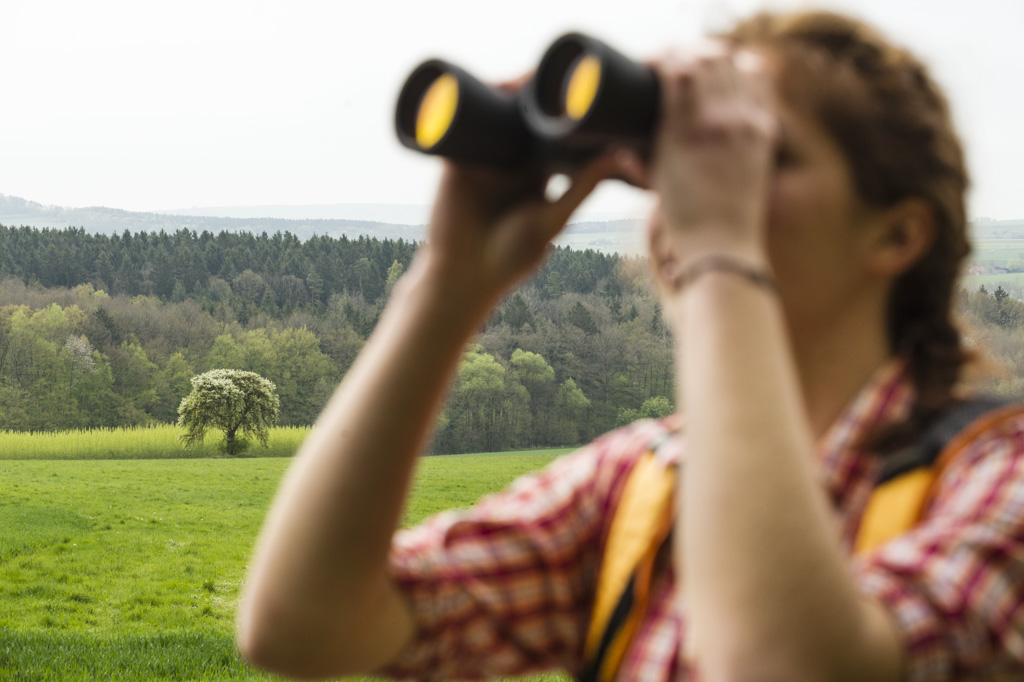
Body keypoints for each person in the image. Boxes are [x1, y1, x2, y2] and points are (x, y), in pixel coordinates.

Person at [236, 9, 1024, 681]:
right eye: (690, 159)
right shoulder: (640, 483)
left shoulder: (999, 480)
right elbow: (304, 625)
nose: (697, 195)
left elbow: (777, 663)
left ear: (897, 232)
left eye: (757, 156)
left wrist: (720, 250)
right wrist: (444, 287)